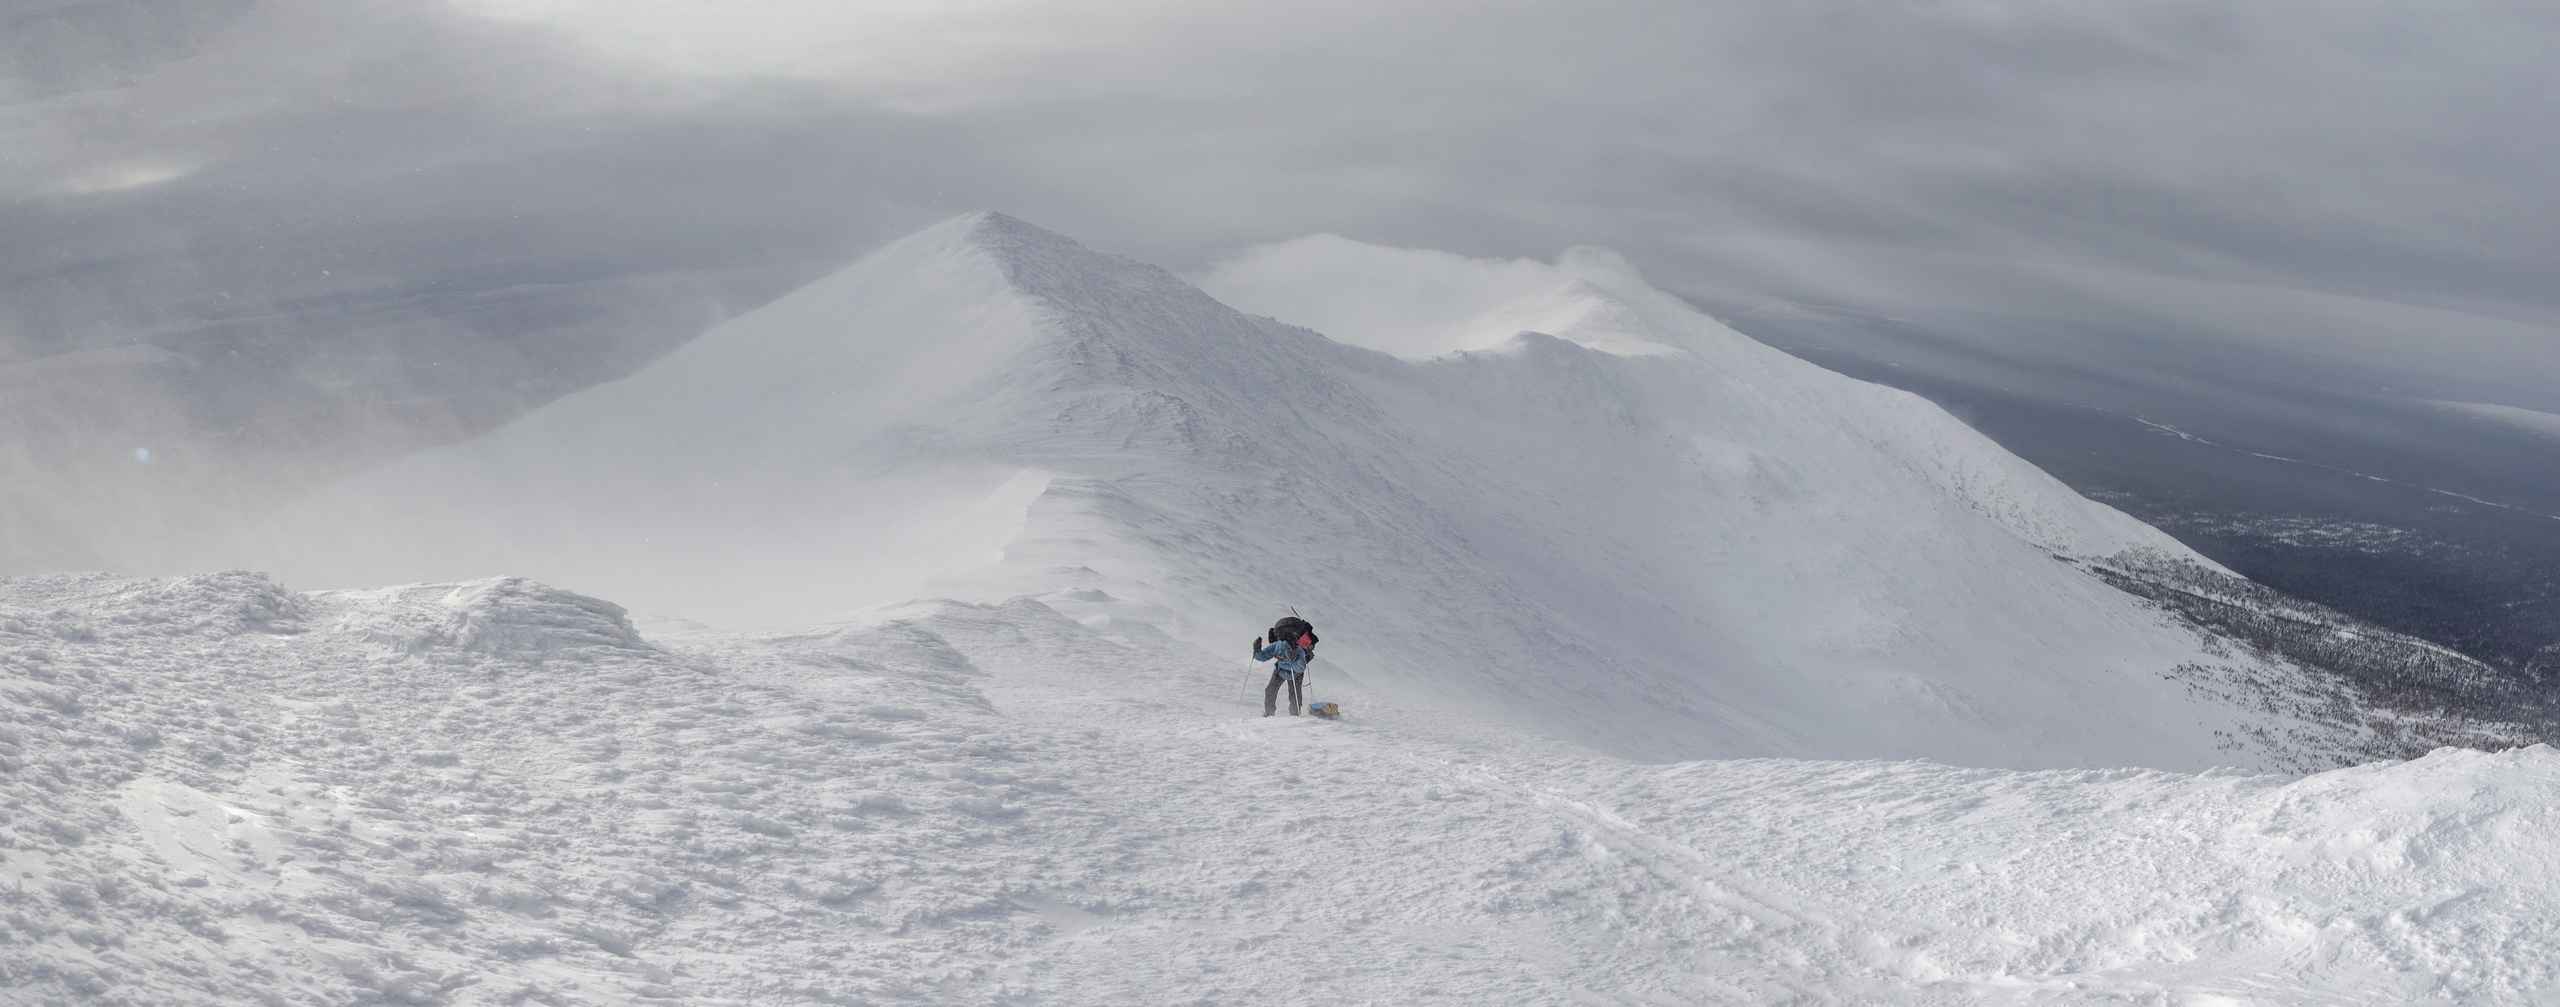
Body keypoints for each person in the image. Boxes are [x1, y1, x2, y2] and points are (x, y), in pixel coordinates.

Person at [1252, 618, 1318, 717]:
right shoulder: (1278, 645)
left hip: (1292, 673)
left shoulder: (1297, 648)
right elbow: (1263, 656)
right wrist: (1257, 651)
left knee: (1292, 695)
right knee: (1272, 691)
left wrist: (1295, 658)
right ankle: (1271, 714)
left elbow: (1301, 667)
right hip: (1283, 671)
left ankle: (1293, 715)